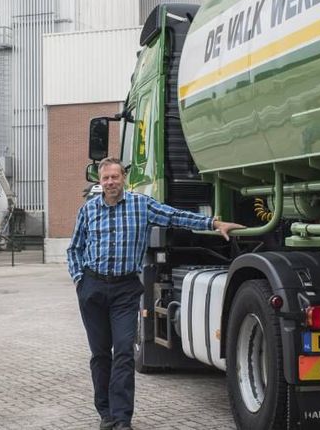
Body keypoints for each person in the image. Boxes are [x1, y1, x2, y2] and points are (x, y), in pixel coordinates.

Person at [67, 157, 242, 430]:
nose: (111, 182)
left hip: (126, 289)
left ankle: (122, 418)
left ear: (123, 177)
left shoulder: (140, 205)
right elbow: (74, 249)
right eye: (106, 178)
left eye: (115, 177)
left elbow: (174, 216)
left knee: (124, 352)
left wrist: (212, 224)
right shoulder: (88, 210)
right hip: (94, 288)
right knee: (100, 355)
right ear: (100, 182)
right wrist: (80, 282)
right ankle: (106, 413)